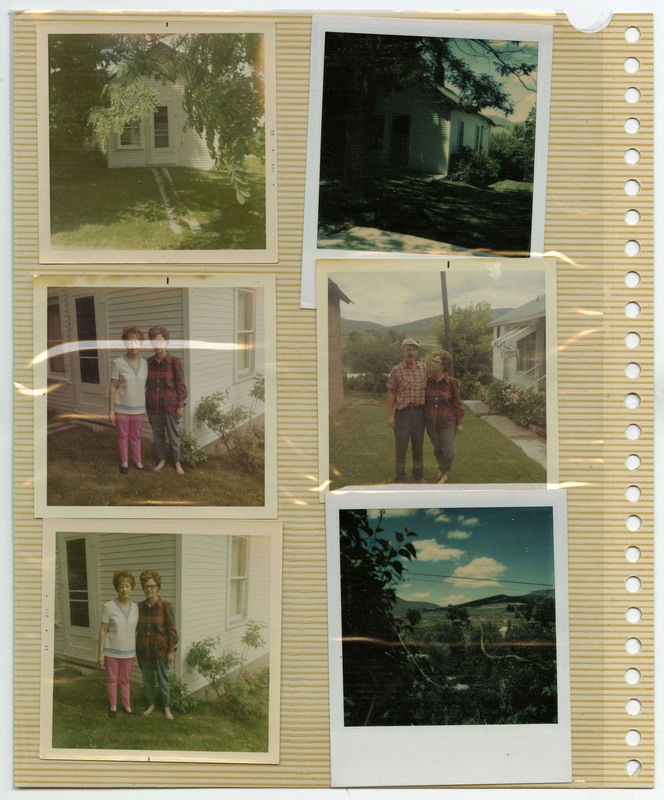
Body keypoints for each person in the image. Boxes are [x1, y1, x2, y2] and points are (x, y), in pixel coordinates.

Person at [136, 570, 179, 720]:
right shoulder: (139, 607)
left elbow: (172, 631)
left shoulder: (166, 606)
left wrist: (171, 651)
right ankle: (151, 705)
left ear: (158, 587)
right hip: (144, 652)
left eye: (153, 586)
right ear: (142, 588)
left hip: (161, 652)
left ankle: (167, 708)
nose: (150, 589)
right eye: (146, 586)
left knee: (163, 681)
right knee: (147, 680)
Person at [145, 326, 188, 475]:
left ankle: (177, 462)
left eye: (160, 342)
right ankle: (162, 460)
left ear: (166, 342)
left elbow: (181, 386)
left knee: (173, 436)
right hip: (153, 408)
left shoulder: (175, 361)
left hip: (170, 407)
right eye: (153, 342)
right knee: (158, 436)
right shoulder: (148, 362)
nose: (157, 345)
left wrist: (180, 406)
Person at [98, 569, 139, 718]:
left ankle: (127, 706)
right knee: (112, 679)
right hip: (111, 651)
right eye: (121, 586)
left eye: (127, 586)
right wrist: (101, 652)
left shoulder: (136, 608)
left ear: (132, 588)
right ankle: (113, 706)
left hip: (128, 651)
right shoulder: (108, 607)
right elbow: (103, 630)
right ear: (117, 588)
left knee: (125, 680)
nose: (124, 589)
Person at [386, 338, 428, 483]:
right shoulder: (396, 370)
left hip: (419, 413)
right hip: (402, 414)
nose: (411, 352)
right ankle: (400, 477)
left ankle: (418, 475)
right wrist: (390, 415)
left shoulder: (423, 368)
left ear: (417, 351)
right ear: (403, 351)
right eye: (408, 349)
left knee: (418, 448)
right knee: (401, 448)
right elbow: (391, 392)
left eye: (414, 349)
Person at [109, 326, 148, 474]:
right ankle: (125, 462)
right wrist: (111, 409)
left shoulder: (145, 364)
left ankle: (138, 462)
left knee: (136, 436)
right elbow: (113, 386)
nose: (133, 345)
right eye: (130, 342)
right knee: (123, 436)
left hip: (139, 407)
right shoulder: (118, 363)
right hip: (121, 407)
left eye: (137, 342)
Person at [425, 350, 464, 484]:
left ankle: (444, 473)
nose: (433, 363)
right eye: (433, 361)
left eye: (436, 362)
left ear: (444, 366)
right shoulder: (427, 382)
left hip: (448, 422)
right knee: (438, 450)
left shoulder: (451, 383)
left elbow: (457, 404)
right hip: (431, 423)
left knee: (449, 452)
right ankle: (444, 472)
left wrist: (459, 423)